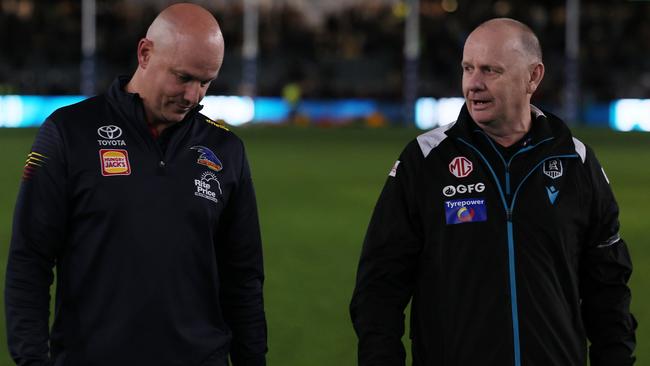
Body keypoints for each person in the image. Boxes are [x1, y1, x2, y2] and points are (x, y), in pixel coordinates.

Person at [350, 18, 636, 366]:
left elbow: (608, 285)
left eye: (490, 70)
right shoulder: (425, 161)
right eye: (468, 68)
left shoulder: (575, 162)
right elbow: (379, 284)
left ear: (533, 77)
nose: (473, 84)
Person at [5, 3, 267, 365]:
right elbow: (29, 260)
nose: (193, 96)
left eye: (205, 82)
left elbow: (244, 280)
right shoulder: (69, 133)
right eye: (183, 77)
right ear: (145, 53)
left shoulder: (227, 151)